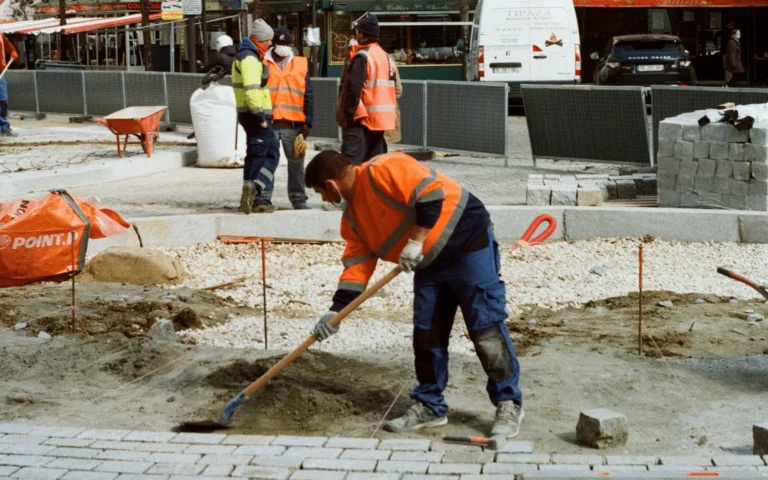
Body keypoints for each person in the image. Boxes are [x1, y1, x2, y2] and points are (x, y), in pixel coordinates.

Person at [305, 150, 524, 437]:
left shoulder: (384, 168)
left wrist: (415, 242)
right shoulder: (353, 218)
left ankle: (509, 402)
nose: (323, 199)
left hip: (467, 243)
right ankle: (430, 406)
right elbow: (357, 266)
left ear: (332, 185)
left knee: (486, 330)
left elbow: (431, 195)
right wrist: (337, 311)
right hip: (428, 262)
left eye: (321, 192)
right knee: (427, 335)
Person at [261, 28, 314, 210]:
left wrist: (308, 122)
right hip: (269, 124)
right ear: (273, 44)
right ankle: (263, 198)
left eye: (286, 44)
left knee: (296, 165)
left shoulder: (301, 64)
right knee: (267, 161)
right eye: (280, 44)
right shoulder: (262, 63)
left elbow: (308, 94)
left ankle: (299, 199)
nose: (283, 47)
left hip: (294, 125)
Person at [233, 19, 280, 214]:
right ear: (261, 40)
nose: (271, 44)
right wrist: (260, 116)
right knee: (270, 153)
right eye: (269, 40)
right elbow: (252, 90)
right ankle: (256, 189)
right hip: (254, 114)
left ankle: (249, 194)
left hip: (248, 113)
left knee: (254, 154)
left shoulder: (248, 55)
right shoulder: (250, 59)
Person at [338, 16, 397, 166]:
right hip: (380, 123)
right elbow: (395, 88)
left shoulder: (363, 57)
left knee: (349, 169)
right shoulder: (386, 57)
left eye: (358, 33)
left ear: (363, 34)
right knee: (373, 169)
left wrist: (350, 115)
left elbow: (352, 89)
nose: (356, 36)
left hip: (361, 121)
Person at [0, 33, 19, 137]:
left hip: (0, 73)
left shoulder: (0, 35)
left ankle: (3, 127)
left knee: (2, 101)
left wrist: (12, 50)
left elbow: (6, 44)